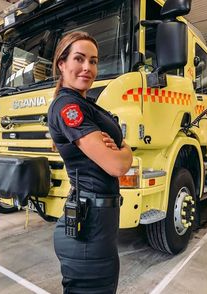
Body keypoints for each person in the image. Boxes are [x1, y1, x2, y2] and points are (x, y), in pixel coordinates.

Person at [48, 31, 132, 294]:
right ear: (62, 64)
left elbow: (121, 153)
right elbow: (117, 166)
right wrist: (125, 152)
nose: (88, 68)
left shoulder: (89, 105)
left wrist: (123, 150)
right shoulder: (67, 107)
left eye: (93, 61)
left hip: (98, 227)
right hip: (88, 231)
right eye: (79, 59)